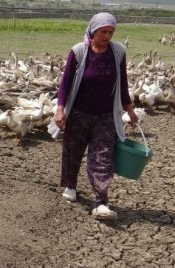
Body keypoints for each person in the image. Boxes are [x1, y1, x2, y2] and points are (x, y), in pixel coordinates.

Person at [54, 12, 139, 220]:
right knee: (73, 151)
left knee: (102, 157)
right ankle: (71, 185)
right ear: (93, 31)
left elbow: (123, 82)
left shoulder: (117, 52)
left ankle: (101, 201)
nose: (108, 36)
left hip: (105, 115)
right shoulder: (79, 51)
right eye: (104, 32)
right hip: (79, 112)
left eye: (111, 32)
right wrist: (60, 108)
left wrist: (129, 108)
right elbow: (65, 83)